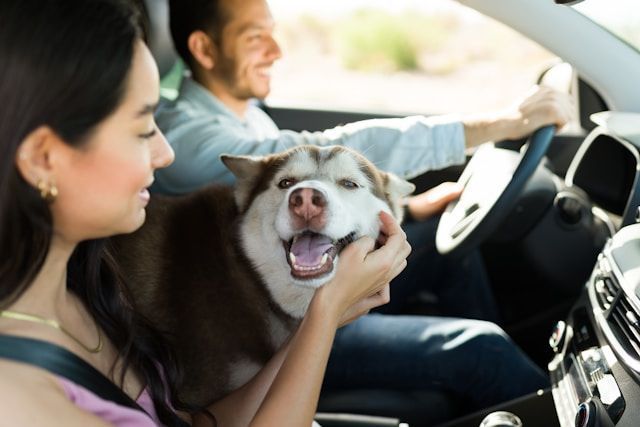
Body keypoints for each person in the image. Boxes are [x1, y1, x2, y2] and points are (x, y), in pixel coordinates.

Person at [0, 1, 412, 426]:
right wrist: (325, 316)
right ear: (43, 158)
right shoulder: (14, 392)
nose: (165, 153)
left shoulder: (86, 291)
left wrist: (326, 313)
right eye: (144, 129)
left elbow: (196, 424)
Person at [152, 0, 565, 421]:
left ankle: (488, 402)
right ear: (204, 50)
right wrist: (502, 124)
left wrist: (409, 209)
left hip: (303, 278)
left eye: (273, 33)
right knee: (482, 348)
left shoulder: (247, 116)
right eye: (256, 38)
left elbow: (319, 192)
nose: (276, 51)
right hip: (278, 323)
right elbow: (335, 149)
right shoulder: (186, 140)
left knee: (446, 241)